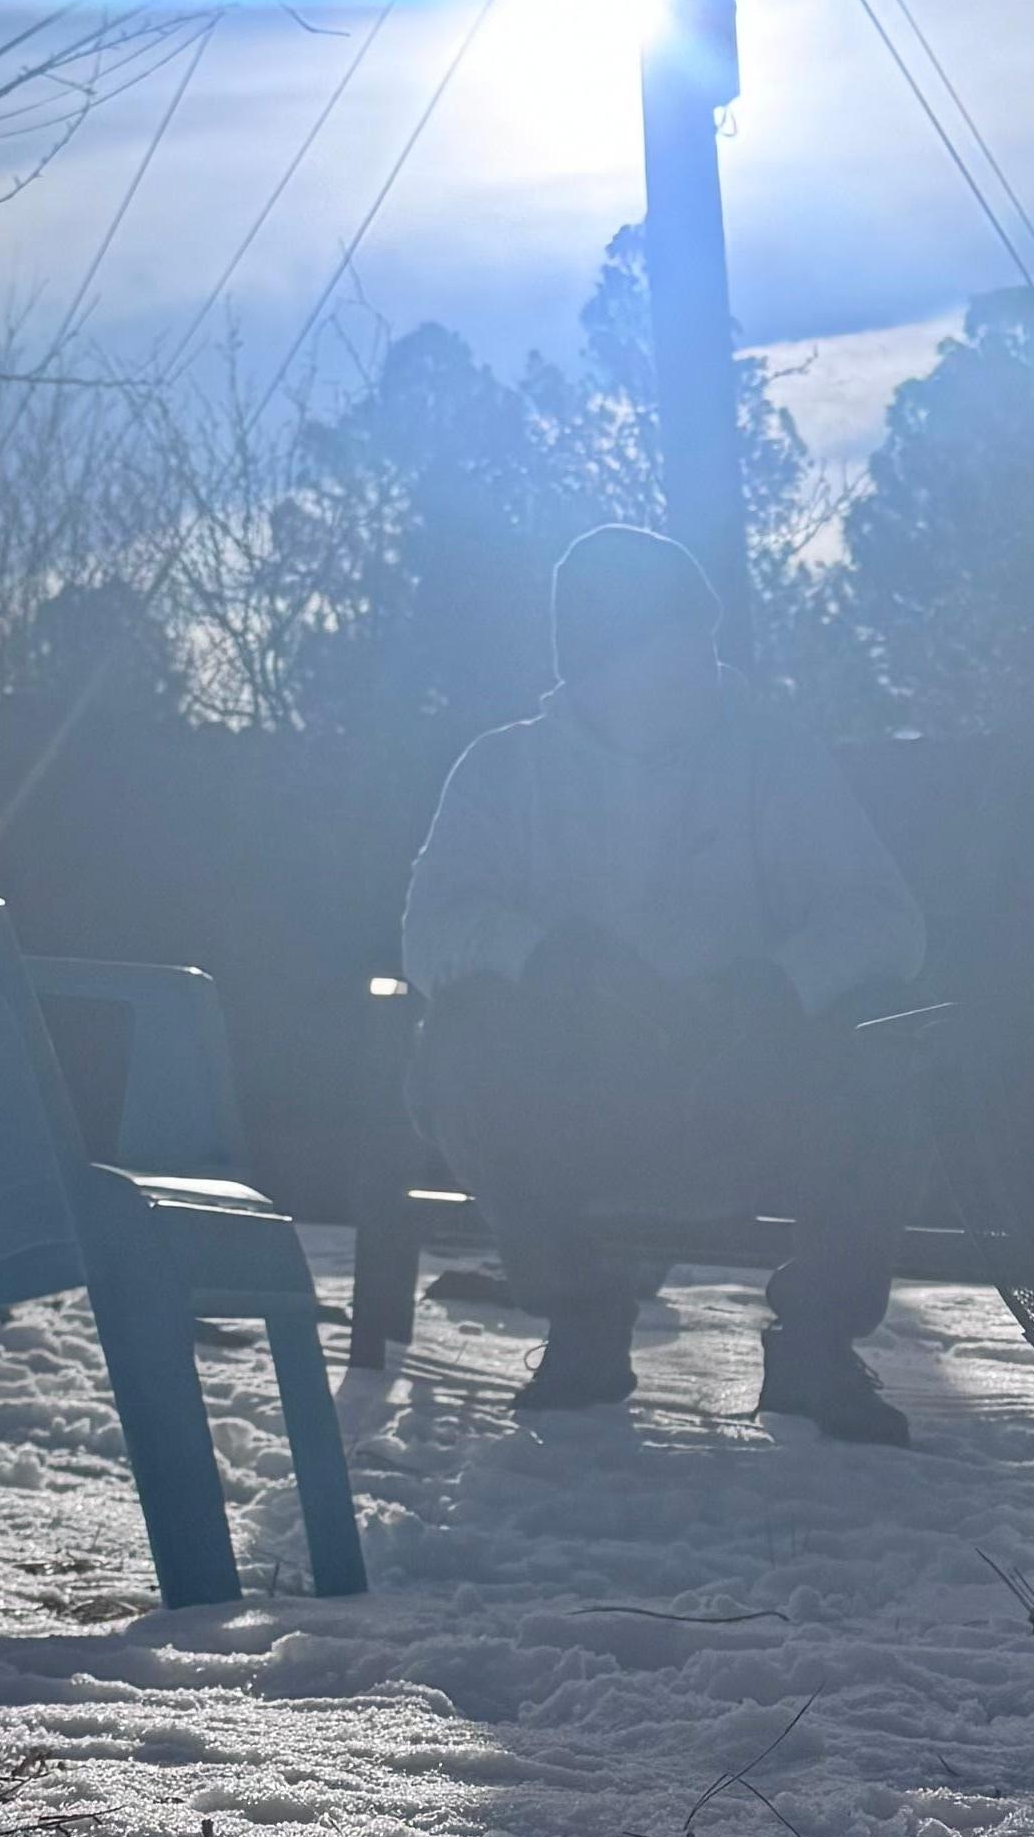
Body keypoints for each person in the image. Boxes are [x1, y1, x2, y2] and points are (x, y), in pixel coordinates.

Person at [398, 524, 929, 1437]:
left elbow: (888, 923)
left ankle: (817, 1343)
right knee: (462, 1029)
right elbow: (429, 931)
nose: (693, 669)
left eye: (700, 644)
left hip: (754, 1092)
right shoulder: (502, 771)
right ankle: (581, 1319)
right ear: (592, 663)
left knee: (887, 1031)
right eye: (664, 648)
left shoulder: (775, 756)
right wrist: (547, 958)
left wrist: (780, 986)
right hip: (573, 1100)